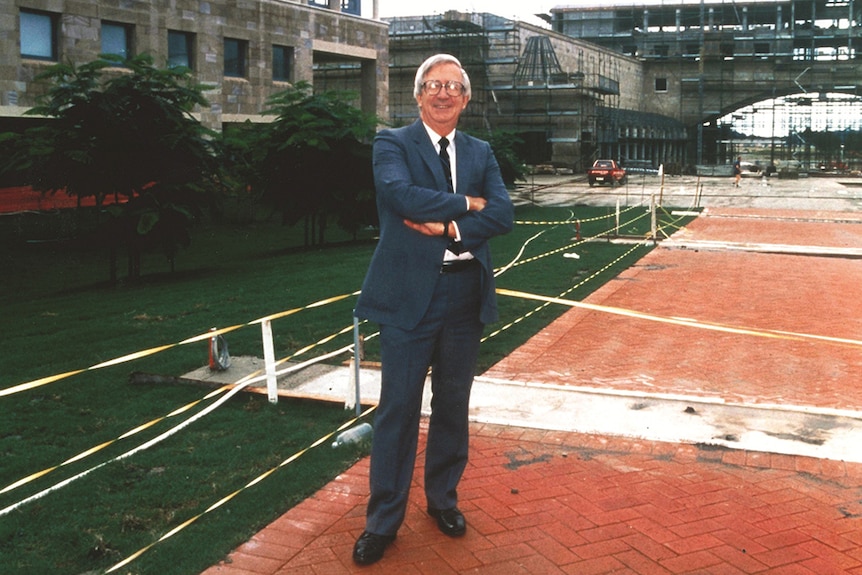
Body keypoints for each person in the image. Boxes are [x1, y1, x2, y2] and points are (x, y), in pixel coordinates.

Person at [352, 53, 514, 566]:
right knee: (397, 410)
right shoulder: (391, 142)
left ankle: (443, 501)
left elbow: (505, 214)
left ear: (465, 99)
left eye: (453, 86)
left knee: (451, 405)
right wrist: (468, 205)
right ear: (418, 95)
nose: (443, 93)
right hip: (407, 300)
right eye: (433, 85)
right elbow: (401, 196)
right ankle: (382, 522)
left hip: (464, 296)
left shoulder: (480, 151)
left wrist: (447, 228)